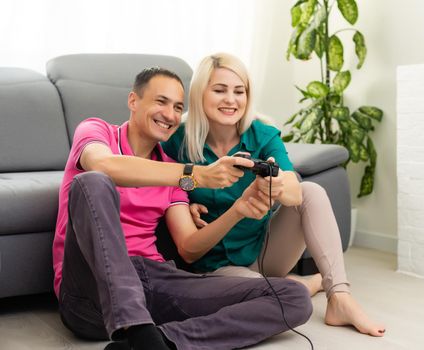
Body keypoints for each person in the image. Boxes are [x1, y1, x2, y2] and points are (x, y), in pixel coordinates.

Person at [52, 67, 313, 350]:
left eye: (178, 107)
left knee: (293, 296)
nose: (171, 115)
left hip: (154, 278)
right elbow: (103, 165)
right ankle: (137, 327)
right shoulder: (97, 131)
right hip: (90, 290)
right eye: (161, 101)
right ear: (133, 101)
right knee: (92, 182)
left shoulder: (172, 170)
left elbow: (189, 246)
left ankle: (164, 341)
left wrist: (238, 209)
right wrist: (198, 174)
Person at [162, 53, 386, 337]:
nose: (231, 100)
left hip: (264, 252)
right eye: (219, 90)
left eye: (239, 91)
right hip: (216, 267)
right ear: (199, 94)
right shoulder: (176, 142)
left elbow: (293, 189)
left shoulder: (262, 134)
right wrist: (186, 199)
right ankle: (306, 284)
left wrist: (277, 186)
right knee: (277, 296)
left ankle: (339, 297)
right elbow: (162, 191)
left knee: (310, 191)